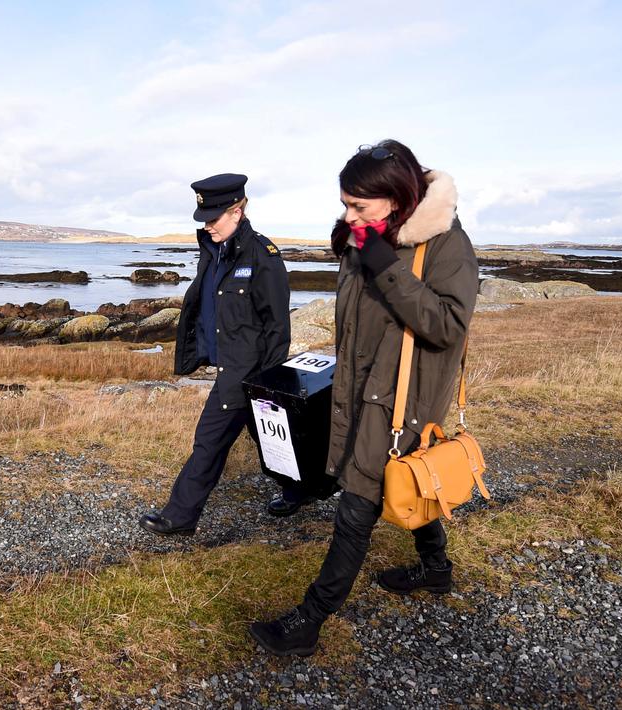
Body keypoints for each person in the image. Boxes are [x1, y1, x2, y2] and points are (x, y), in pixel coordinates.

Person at [249, 140, 479, 655]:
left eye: (358, 206)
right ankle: (436, 569)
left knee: (357, 504)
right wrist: (362, 246)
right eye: (344, 204)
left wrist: (381, 262)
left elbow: (446, 326)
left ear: (396, 198)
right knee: (407, 476)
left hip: (404, 397)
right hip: (364, 387)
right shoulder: (369, 235)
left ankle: (309, 621)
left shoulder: (444, 245)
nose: (348, 215)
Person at [139, 173, 309, 536]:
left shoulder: (263, 257)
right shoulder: (213, 251)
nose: (208, 225)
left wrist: (266, 383)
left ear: (238, 209)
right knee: (271, 439)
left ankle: (180, 516)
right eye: (203, 218)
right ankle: (300, 489)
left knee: (209, 439)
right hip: (228, 366)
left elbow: (278, 328)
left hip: (248, 372)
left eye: (214, 218)